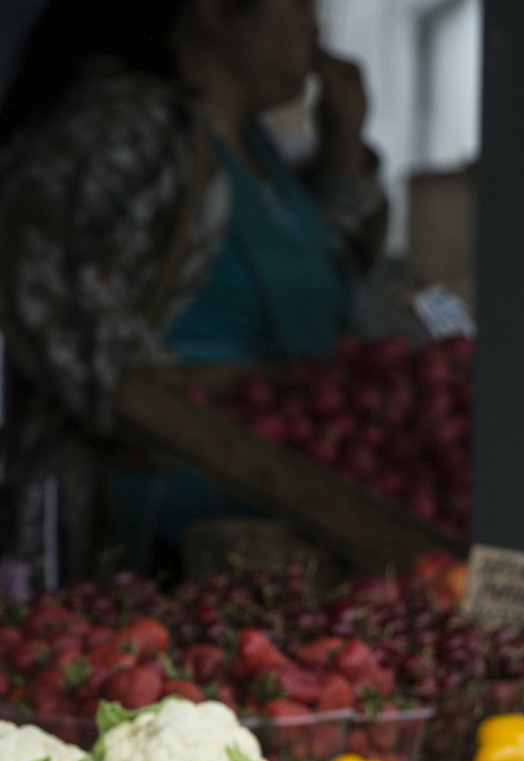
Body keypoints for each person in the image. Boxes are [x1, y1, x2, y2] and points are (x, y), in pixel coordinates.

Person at [0, 0, 384, 580]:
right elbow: (37, 266)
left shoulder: (258, 153)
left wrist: (344, 157)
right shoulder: (127, 128)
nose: (316, 22)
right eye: (300, 0)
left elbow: (315, 288)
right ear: (211, 10)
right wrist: (153, 410)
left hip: (285, 509)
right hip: (153, 530)